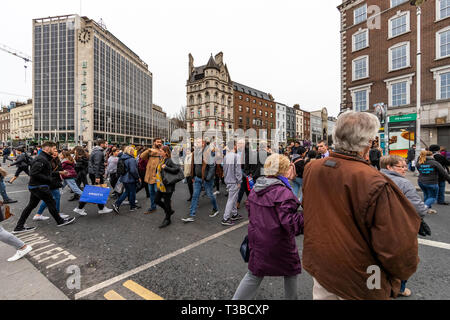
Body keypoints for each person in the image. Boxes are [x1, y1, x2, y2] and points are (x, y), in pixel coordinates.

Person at [302, 111, 421, 300]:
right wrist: (401, 275)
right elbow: (396, 246)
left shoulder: (312, 168)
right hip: (362, 276)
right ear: (367, 143)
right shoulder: (374, 181)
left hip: (322, 265)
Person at [233, 154, 303, 300]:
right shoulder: (283, 192)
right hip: (280, 243)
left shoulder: (257, 188)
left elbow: (250, 209)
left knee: (254, 273)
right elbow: (291, 224)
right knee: (291, 271)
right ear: (283, 170)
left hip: (258, 240)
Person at [380, 155, 433, 297]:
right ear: (389, 167)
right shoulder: (404, 184)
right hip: (400, 227)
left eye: (405, 166)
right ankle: (400, 288)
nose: (404, 169)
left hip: (379, 227)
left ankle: (379, 288)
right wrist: (423, 211)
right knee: (405, 260)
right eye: (401, 166)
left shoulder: (374, 178)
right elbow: (418, 208)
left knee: (380, 259)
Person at [12, 142, 76, 234]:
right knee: (51, 202)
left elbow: (46, 172)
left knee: (31, 206)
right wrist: (49, 179)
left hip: (36, 186)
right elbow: (34, 173)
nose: (56, 150)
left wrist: (59, 173)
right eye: (54, 149)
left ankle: (19, 227)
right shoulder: (41, 159)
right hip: (39, 186)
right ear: (47, 149)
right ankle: (60, 221)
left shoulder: (44, 158)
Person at [181, 138, 219, 223]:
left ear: (203, 143)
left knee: (210, 195)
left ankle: (216, 209)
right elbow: (193, 165)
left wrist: (207, 178)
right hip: (197, 178)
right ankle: (191, 215)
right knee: (195, 196)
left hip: (206, 179)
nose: (195, 143)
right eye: (195, 142)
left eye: (198, 142)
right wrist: (193, 176)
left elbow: (212, 167)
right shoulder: (195, 153)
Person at [33, 149, 69, 221]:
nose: (55, 153)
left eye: (56, 151)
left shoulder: (57, 160)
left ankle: (38, 214)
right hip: (50, 181)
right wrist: (59, 172)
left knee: (49, 199)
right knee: (56, 197)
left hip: (55, 181)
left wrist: (63, 172)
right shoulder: (48, 160)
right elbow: (48, 172)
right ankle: (57, 214)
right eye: (54, 151)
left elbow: (60, 168)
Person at [153, 146, 180, 228]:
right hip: (161, 184)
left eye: (161, 151)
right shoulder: (162, 159)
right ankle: (169, 211)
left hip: (168, 185)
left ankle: (168, 219)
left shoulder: (170, 160)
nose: (159, 152)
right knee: (156, 200)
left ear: (165, 152)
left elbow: (177, 169)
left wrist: (166, 167)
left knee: (167, 202)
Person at [112, 146, 141, 213]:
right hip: (130, 178)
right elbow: (133, 170)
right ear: (130, 151)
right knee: (132, 192)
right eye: (133, 150)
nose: (134, 151)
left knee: (127, 192)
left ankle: (118, 204)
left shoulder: (122, 158)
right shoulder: (131, 159)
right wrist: (138, 177)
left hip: (123, 178)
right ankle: (130, 206)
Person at [140, 138, 164, 214]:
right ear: (154, 142)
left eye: (160, 142)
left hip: (158, 176)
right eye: (157, 142)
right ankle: (153, 206)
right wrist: (148, 150)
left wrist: (160, 151)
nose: (159, 143)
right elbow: (142, 156)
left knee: (158, 193)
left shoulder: (162, 151)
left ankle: (166, 206)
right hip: (150, 175)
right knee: (151, 193)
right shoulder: (150, 151)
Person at [222, 141, 243, 226]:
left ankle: (234, 214)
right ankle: (225, 218)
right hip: (234, 181)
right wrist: (239, 181)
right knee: (231, 199)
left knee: (234, 197)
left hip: (228, 179)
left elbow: (223, 168)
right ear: (234, 147)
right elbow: (238, 171)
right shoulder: (236, 156)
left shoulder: (226, 156)